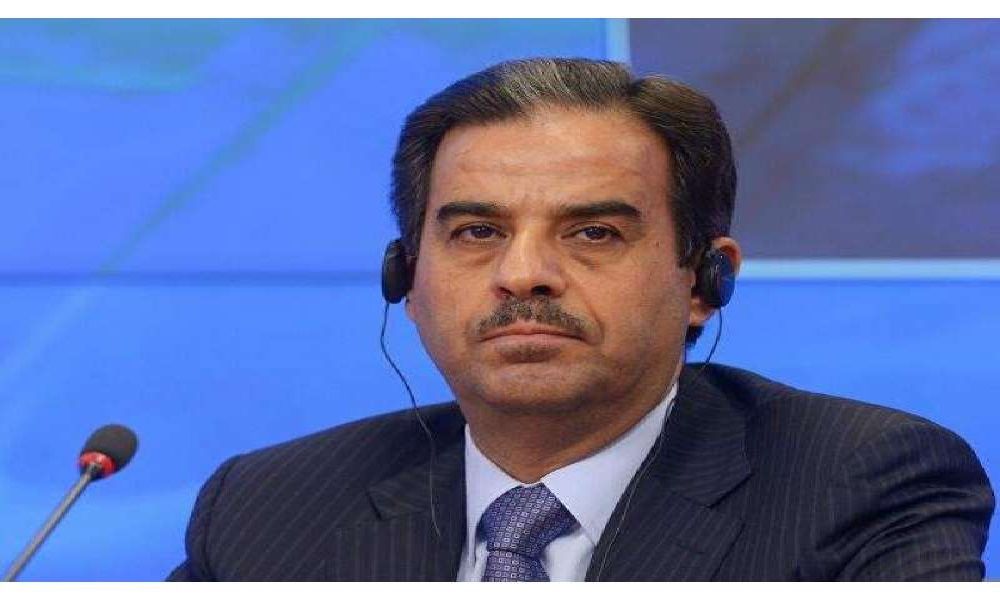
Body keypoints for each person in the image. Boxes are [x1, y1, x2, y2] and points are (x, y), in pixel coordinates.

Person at [167, 58, 994, 581]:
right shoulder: (270, 505)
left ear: (706, 280)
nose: (522, 273)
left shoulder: (859, 483)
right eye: (477, 232)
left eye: (593, 232)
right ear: (406, 280)